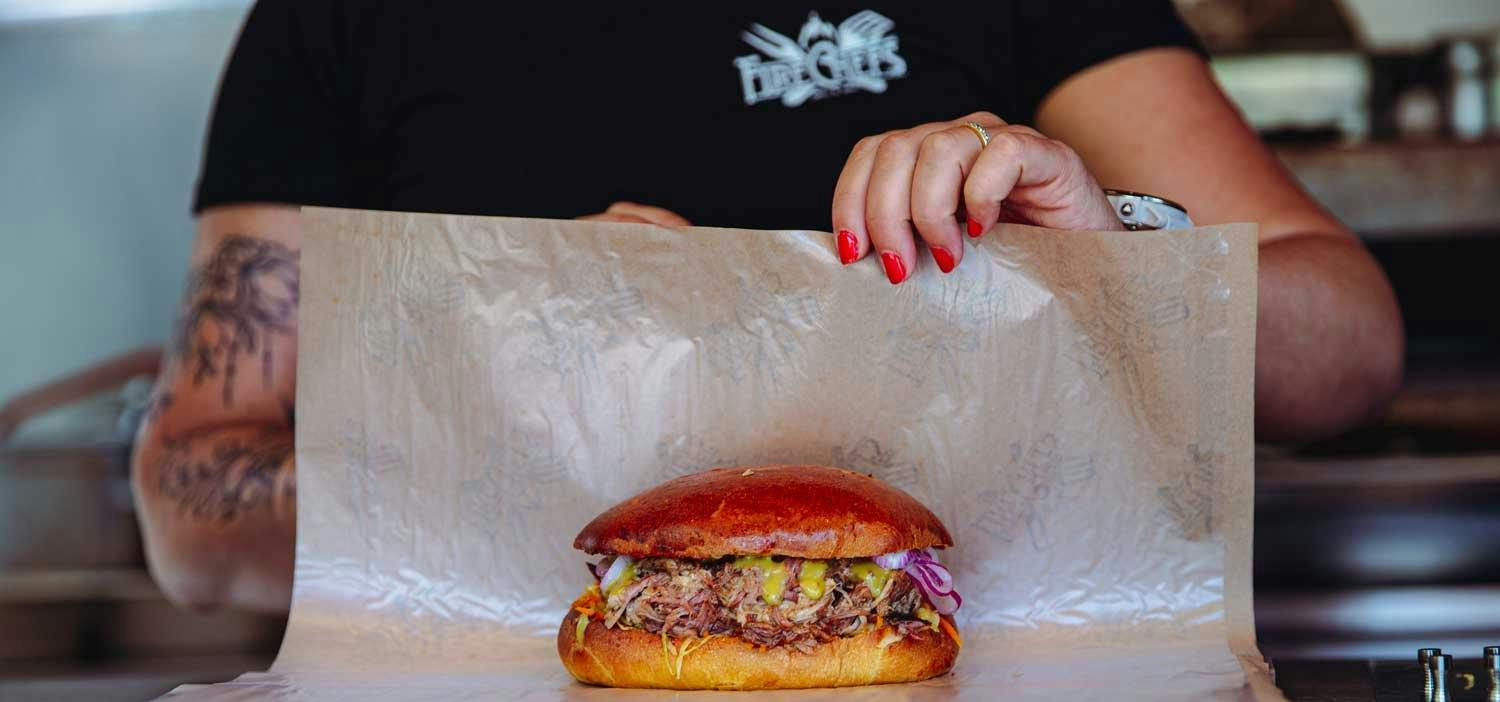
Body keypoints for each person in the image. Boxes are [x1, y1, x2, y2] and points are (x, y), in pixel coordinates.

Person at [133, 2, 1404, 613]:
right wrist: (485, 376)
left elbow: (1350, 350)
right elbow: (193, 507)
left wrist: (1120, 258)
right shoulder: (341, 23)